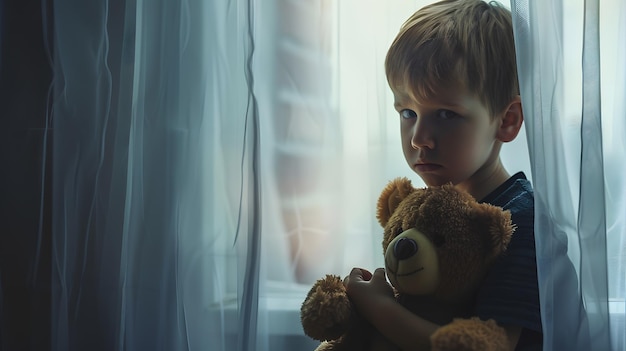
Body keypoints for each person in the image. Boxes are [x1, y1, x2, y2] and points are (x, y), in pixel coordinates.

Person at [342, 0, 543, 350]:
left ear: (507, 120)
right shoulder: (425, 210)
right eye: (407, 112)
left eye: (446, 115)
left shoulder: (518, 223)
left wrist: (378, 306)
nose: (419, 138)